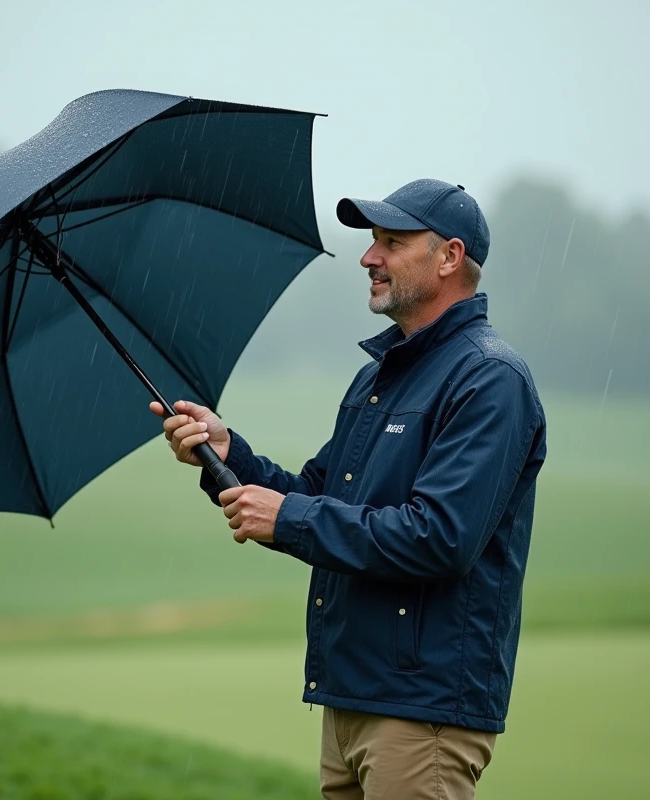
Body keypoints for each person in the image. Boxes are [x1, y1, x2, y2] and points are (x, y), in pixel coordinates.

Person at [149, 179, 547, 799]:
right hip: (352, 698)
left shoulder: (489, 380)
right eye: (371, 242)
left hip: (422, 711)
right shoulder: (378, 378)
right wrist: (227, 455)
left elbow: (440, 537)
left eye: (391, 241)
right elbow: (316, 492)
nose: (369, 257)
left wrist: (287, 517)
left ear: (448, 257)